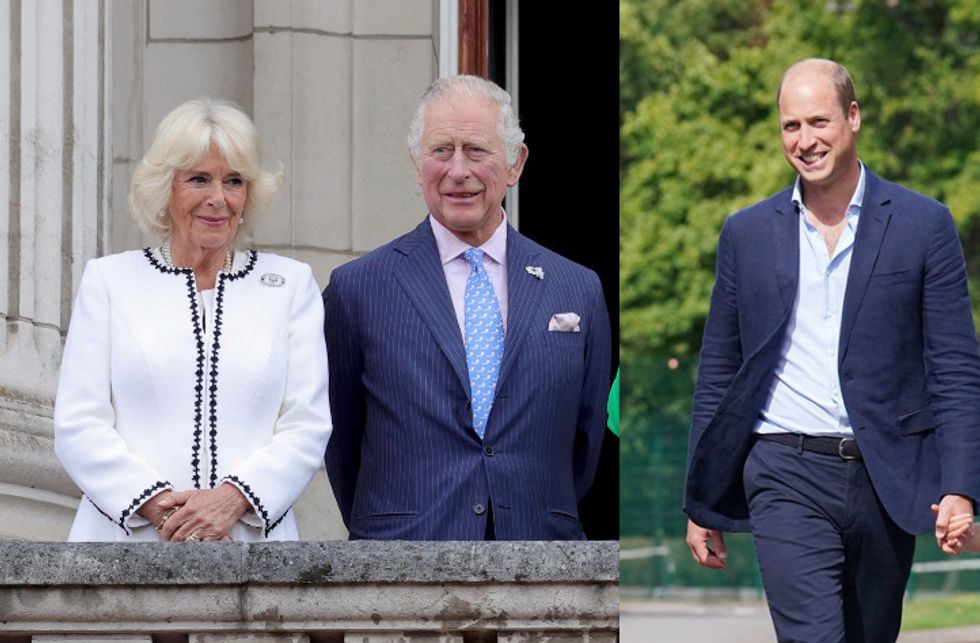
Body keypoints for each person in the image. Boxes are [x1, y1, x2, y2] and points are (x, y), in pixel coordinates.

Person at [683, 58, 980, 641]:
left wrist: (961, 487)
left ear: (853, 117)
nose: (805, 140)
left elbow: (955, 368)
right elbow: (718, 369)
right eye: (790, 126)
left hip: (885, 474)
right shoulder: (746, 233)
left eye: (818, 121)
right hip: (783, 468)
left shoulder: (924, 225)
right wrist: (701, 499)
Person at [322, 75, 611, 540]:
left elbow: (586, 437)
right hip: (402, 555)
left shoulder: (577, 288)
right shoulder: (357, 288)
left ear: (515, 163)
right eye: (441, 150)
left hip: (538, 551)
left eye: (476, 150)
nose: (458, 170)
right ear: (417, 164)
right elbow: (341, 437)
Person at [54, 98, 332, 542]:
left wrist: (230, 501)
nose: (218, 199)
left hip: (250, 545)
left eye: (234, 181)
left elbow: (307, 424)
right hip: (126, 545)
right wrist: (171, 515)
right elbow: (78, 424)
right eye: (199, 179)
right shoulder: (110, 281)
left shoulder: (291, 286)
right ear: (165, 187)